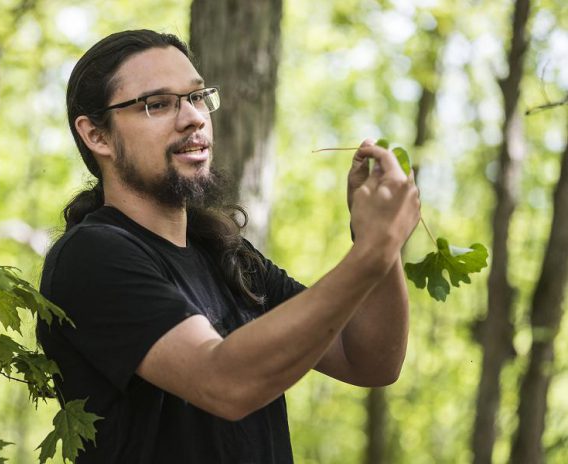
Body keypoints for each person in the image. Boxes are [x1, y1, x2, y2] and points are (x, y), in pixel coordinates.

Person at [37, 29, 420, 464]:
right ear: (97, 136)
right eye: (157, 104)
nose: (193, 118)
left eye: (197, 97)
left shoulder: (228, 256)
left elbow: (370, 361)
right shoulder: (92, 256)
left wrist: (378, 245)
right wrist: (370, 253)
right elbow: (224, 383)